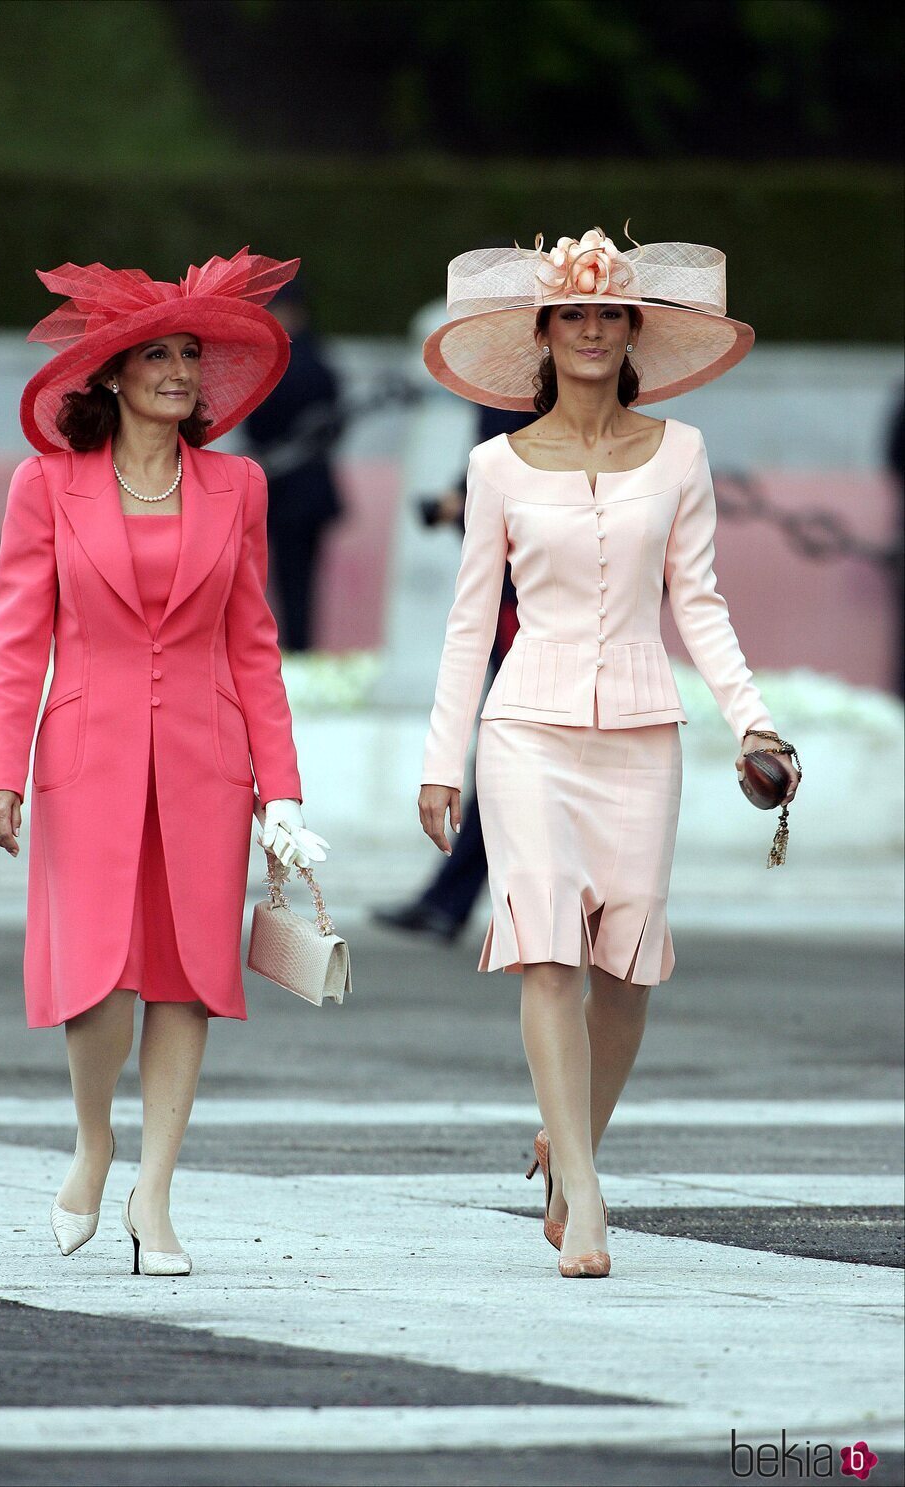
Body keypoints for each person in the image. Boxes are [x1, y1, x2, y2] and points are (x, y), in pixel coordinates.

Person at [418, 228, 801, 1279]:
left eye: (607, 315)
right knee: (544, 950)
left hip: (640, 731)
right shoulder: (491, 464)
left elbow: (699, 600)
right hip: (524, 728)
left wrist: (752, 719)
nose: (589, 331)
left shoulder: (678, 452)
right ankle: (581, 1188)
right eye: (571, 316)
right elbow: (466, 623)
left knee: (624, 968)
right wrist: (439, 760)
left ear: (632, 330)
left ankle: (569, 1141)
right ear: (541, 334)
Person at [0, 248, 329, 1276]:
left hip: (207, 761)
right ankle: (93, 1139)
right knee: (97, 972)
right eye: (158, 354)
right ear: (115, 373)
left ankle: (155, 1193)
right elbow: (16, 639)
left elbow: (252, 646)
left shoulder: (239, 486)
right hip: (84, 754)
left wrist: (283, 790)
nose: (179, 369)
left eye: (191, 353)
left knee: (187, 974)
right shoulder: (45, 485)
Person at [374, 404, 529, 942]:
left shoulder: (521, 390)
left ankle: (456, 900)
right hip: (517, 599)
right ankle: (451, 900)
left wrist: (460, 507)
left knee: (514, 756)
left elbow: (524, 494)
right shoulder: (513, 388)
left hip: (530, 606)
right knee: (511, 756)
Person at [238, 279, 344, 651]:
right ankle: (297, 648)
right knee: (297, 579)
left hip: (282, 487)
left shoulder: (273, 363)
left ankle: (291, 650)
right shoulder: (321, 362)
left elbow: (255, 427)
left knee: (285, 579)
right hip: (306, 488)